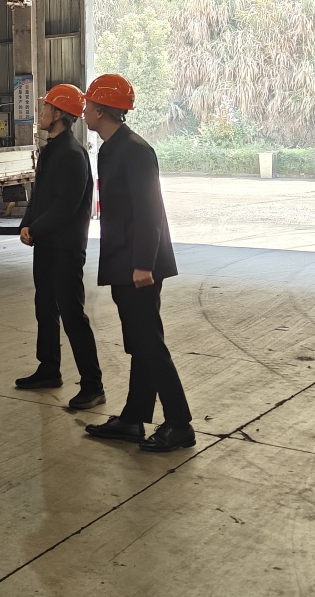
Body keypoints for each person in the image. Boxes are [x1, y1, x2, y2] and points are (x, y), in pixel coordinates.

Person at [82, 74, 194, 453]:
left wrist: (143, 263)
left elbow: (150, 210)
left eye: (88, 105)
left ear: (101, 109)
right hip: (123, 261)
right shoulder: (111, 148)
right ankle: (133, 418)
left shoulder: (134, 150)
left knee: (149, 344)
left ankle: (180, 423)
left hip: (139, 266)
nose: (84, 111)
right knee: (140, 343)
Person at [16, 84, 104, 410]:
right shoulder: (52, 149)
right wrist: (27, 224)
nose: (41, 113)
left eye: (46, 108)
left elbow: (66, 206)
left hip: (65, 248)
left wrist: (35, 228)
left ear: (59, 115)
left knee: (72, 314)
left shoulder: (72, 154)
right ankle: (49, 368)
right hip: (46, 244)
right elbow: (39, 197)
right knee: (45, 307)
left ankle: (93, 385)